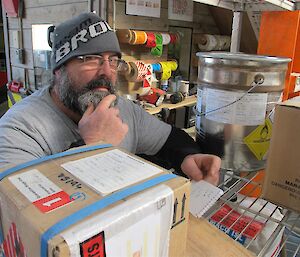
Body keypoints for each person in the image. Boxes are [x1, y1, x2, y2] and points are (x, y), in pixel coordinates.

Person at [0, 12, 221, 185]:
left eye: (113, 60)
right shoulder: (20, 127)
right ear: (59, 70)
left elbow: (171, 140)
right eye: (91, 59)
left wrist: (188, 157)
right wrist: (92, 147)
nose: (107, 71)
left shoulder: (124, 110)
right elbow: (17, 212)